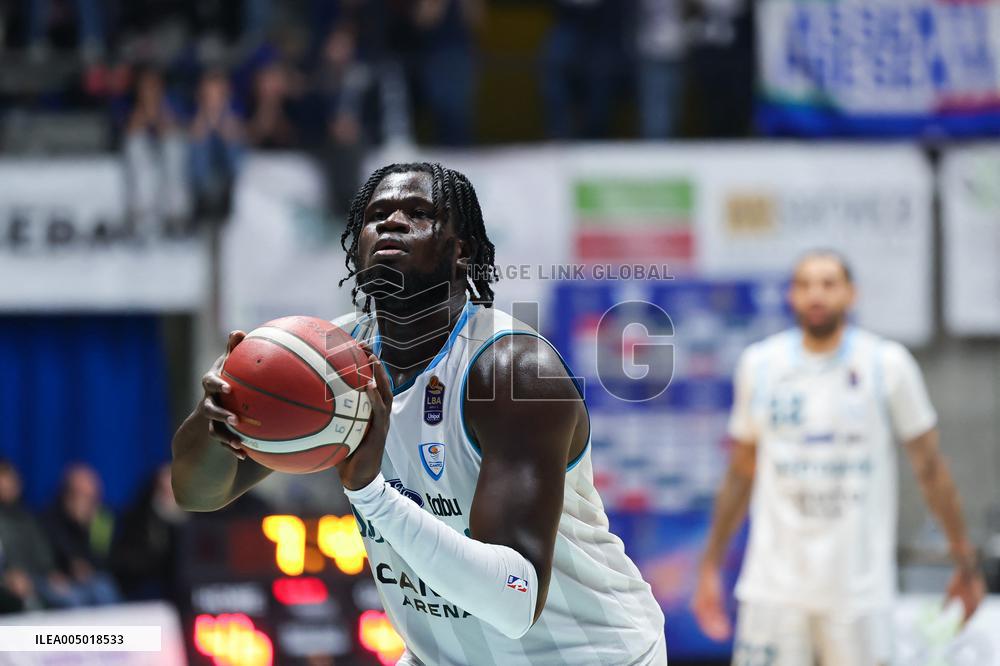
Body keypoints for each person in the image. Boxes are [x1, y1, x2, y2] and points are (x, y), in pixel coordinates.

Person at [172, 162, 668, 664]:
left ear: (461, 251)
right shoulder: (332, 361)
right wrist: (218, 416)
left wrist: (371, 494)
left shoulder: (513, 371)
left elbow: (514, 603)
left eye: (418, 213)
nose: (392, 222)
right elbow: (199, 494)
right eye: (377, 215)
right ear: (356, 245)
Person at [691, 250, 987, 666]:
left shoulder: (887, 364)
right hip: (774, 589)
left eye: (829, 283)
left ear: (851, 293)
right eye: (805, 284)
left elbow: (931, 468)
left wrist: (963, 559)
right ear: (791, 296)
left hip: (858, 591)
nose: (817, 294)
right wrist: (710, 565)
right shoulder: (760, 365)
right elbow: (741, 471)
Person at [43, 464, 121, 607]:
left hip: (94, 577)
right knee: (70, 597)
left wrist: (86, 528)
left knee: (103, 588)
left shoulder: (102, 519)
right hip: (63, 577)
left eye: (88, 496)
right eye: (78, 494)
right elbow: (52, 552)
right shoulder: (52, 518)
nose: (83, 500)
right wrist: (73, 524)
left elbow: (102, 556)